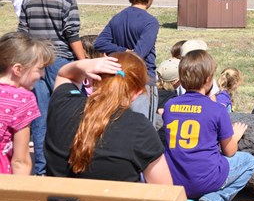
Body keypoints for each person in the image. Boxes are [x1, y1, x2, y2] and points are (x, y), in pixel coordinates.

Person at [44, 51, 171, 183]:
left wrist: (86, 64)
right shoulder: (139, 127)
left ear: (93, 79)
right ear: (138, 92)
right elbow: (164, 189)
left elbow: (64, 75)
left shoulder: (63, 104)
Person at [163, 50, 254, 201]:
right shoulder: (217, 110)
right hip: (206, 179)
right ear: (208, 80)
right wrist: (235, 136)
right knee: (249, 161)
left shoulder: (169, 106)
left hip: (174, 179)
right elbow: (229, 152)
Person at [18, 0, 85, 175]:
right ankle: (66, 167)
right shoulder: (66, 0)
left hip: (35, 63)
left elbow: (23, 35)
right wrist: (84, 63)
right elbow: (72, 35)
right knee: (69, 114)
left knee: (40, 116)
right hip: (61, 63)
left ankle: (41, 170)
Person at [94, 0, 160, 123]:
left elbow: (100, 42)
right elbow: (140, 53)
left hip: (120, 79)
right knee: (144, 127)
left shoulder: (118, 18)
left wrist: (121, 51)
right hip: (143, 81)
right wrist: (128, 52)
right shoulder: (151, 22)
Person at [0, 32, 54, 174]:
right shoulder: (22, 99)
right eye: (40, 68)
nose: (43, 75)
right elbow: (20, 161)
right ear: (18, 69)